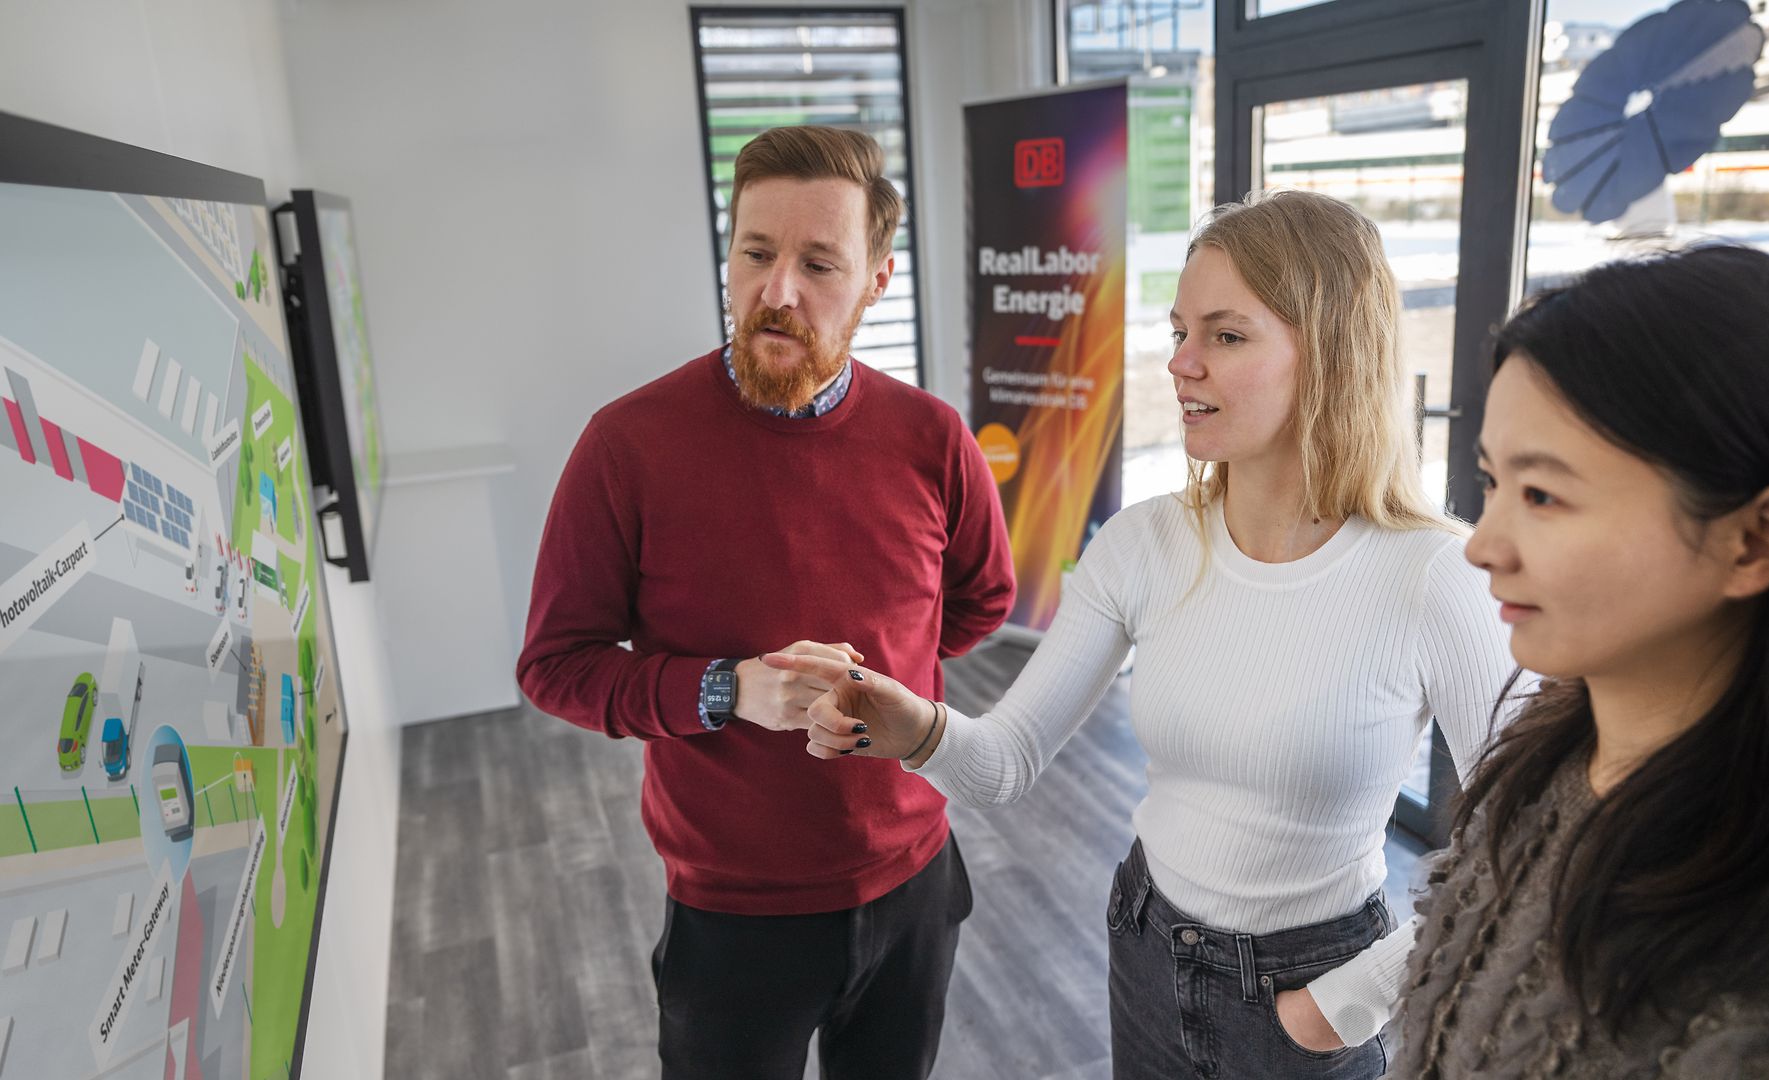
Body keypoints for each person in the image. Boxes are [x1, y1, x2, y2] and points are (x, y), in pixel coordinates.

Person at [767, 189, 1515, 1078]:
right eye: (1179, 333)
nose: (1180, 364)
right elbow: (1005, 763)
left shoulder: (1438, 575)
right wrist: (913, 728)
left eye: (1225, 336)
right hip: (1147, 947)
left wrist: (1341, 1005)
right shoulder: (1144, 544)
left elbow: (1534, 848)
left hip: (1315, 988)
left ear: (1333, 356)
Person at [516, 125, 1016, 1080]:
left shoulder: (933, 438)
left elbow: (981, 598)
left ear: (876, 279)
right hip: (733, 917)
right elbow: (556, 666)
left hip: (916, 883)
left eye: (819, 263)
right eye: (755, 253)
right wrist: (727, 690)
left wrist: (888, 681)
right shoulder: (627, 447)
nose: (777, 291)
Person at [1390, 245, 1769, 1078]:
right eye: (1492, 482)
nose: (1483, 546)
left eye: (1542, 496)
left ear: (1756, 539)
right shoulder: (1542, 764)